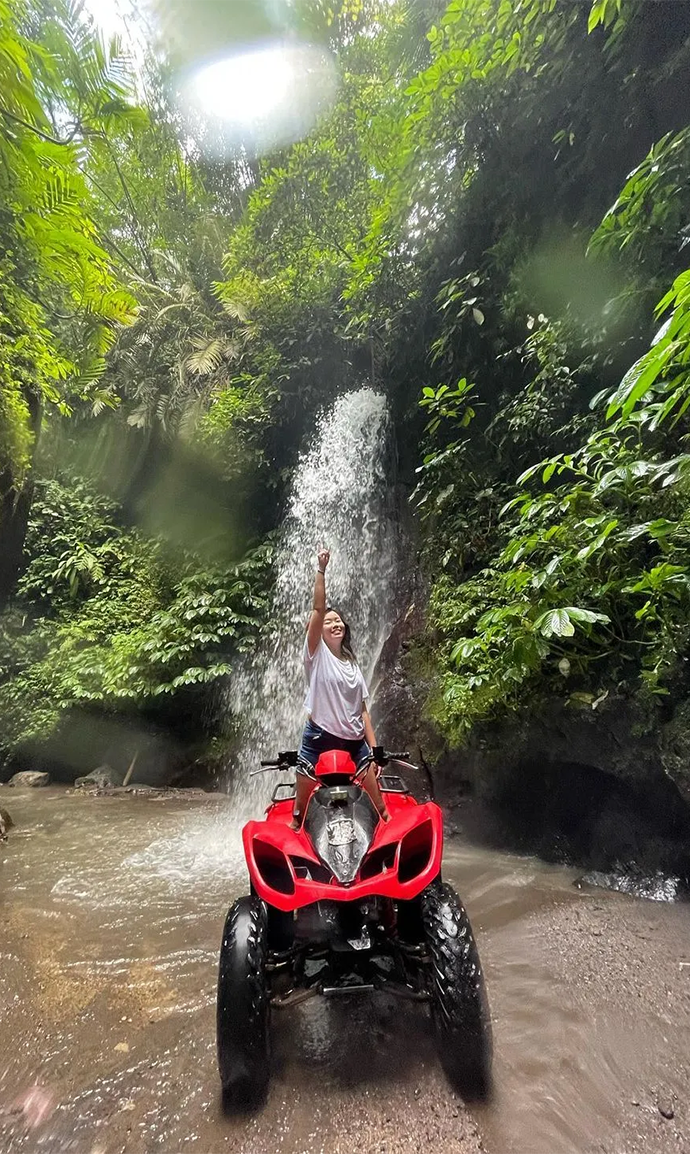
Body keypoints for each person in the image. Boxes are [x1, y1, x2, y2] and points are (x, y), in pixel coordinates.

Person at [291, 548, 390, 829]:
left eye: (338, 621)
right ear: (319, 629)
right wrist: (321, 570)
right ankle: (297, 836)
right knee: (298, 812)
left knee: (381, 807)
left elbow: (362, 710)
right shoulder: (315, 654)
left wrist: (374, 749)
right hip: (319, 736)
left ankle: (384, 839)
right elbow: (318, 609)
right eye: (329, 621)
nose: (334, 623)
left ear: (344, 627)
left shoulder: (351, 663)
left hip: (354, 740)